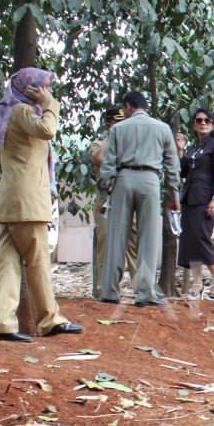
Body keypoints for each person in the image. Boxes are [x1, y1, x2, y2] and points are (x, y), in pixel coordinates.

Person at [0, 67, 83, 342]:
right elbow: (47, 131)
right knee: (38, 261)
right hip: (27, 203)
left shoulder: (6, 117)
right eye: (43, 87)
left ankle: (0, 324)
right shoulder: (22, 112)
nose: (48, 92)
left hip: (10, 201)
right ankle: (50, 320)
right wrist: (51, 105)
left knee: (7, 264)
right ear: (30, 89)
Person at [98, 91, 181, 307]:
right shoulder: (162, 128)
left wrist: (103, 193)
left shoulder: (117, 128)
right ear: (144, 106)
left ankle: (109, 291)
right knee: (148, 238)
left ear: (128, 106)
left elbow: (108, 164)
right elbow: (172, 166)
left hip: (123, 180)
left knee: (117, 237)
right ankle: (145, 293)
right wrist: (174, 195)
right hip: (150, 180)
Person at [175, 107, 214, 301]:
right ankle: (197, 284)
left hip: (206, 199)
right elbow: (182, 172)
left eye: (207, 120)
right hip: (189, 198)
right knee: (190, 241)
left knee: (202, 238)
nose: (203, 123)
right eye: (199, 120)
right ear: (194, 125)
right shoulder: (192, 148)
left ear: (212, 124)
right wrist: (180, 150)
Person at [89, 106, 137, 300]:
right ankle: (105, 290)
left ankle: (142, 289)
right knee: (107, 245)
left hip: (130, 199)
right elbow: (100, 158)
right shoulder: (99, 144)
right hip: (107, 199)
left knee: (135, 246)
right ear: (109, 125)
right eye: (118, 124)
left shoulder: (132, 144)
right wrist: (114, 137)